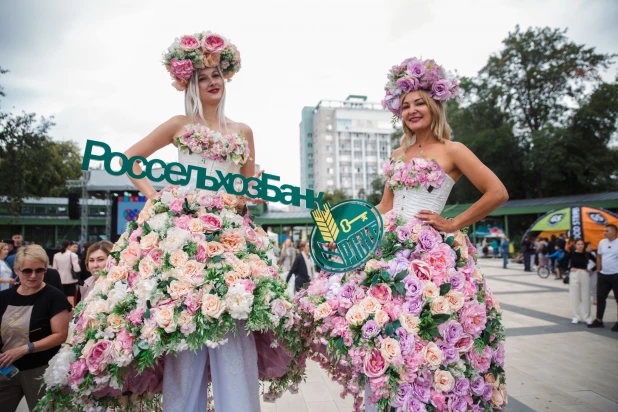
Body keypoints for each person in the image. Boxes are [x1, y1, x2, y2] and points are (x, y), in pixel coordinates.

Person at [38, 31, 304, 411]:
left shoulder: (244, 131)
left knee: (235, 324)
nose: (211, 82)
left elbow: (244, 192)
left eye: (216, 75)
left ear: (225, 79)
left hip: (230, 237)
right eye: (202, 76)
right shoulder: (179, 122)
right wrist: (155, 196)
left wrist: (249, 192)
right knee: (181, 327)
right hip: (180, 233)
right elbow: (130, 159)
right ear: (190, 83)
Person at [296, 57, 509, 411]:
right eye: (406, 105)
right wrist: (346, 233)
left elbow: (497, 192)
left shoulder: (453, 150)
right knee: (385, 333)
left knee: (428, 335)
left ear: (434, 106)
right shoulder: (397, 154)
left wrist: (454, 223)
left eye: (419, 103)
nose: (412, 110)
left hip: (430, 254)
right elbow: (384, 207)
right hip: (388, 249)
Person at [0, 245, 71, 412]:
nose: (33, 275)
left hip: (40, 369)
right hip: (6, 368)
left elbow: (60, 335)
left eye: (39, 270)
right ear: (16, 270)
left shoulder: (54, 297)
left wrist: (25, 349)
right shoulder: (4, 297)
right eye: (27, 271)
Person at [588, 224, 618, 331]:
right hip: (604, 275)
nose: (604, 233)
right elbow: (599, 256)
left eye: (607, 231)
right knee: (600, 297)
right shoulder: (602, 242)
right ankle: (599, 320)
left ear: (614, 232)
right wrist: (598, 269)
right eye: (604, 231)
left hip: (616, 275)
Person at [568, 239, 592, 324]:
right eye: (578, 244)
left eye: (582, 244)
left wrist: (591, 269)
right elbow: (562, 261)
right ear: (575, 245)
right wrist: (570, 268)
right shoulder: (571, 253)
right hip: (574, 273)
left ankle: (587, 317)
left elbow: (597, 261)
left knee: (586, 296)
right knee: (574, 296)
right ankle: (576, 316)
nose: (580, 246)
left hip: (584, 273)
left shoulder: (587, 254)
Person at [51, 240, 80, 306]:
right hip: (71, 279)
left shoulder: (56, 255)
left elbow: (54, 268)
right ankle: (71, 315)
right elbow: (77, 269)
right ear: (69, 246)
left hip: (60, 279)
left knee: (60, 298)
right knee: (70, 298)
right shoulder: (73, 255)